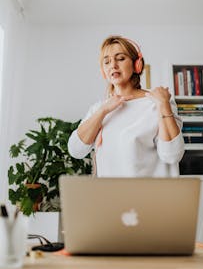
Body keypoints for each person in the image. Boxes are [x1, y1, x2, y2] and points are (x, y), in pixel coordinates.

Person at [68, 35, 184, 177]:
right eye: (107, 62)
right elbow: (75, 150)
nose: (113, 65)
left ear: (137, 65)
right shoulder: (99, 109)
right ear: (103, 71)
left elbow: (172, 155)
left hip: (151, 196)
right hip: (111, 197)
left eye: (120, 58)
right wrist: (103, 110)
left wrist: (164, 105)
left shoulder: (157, 102)